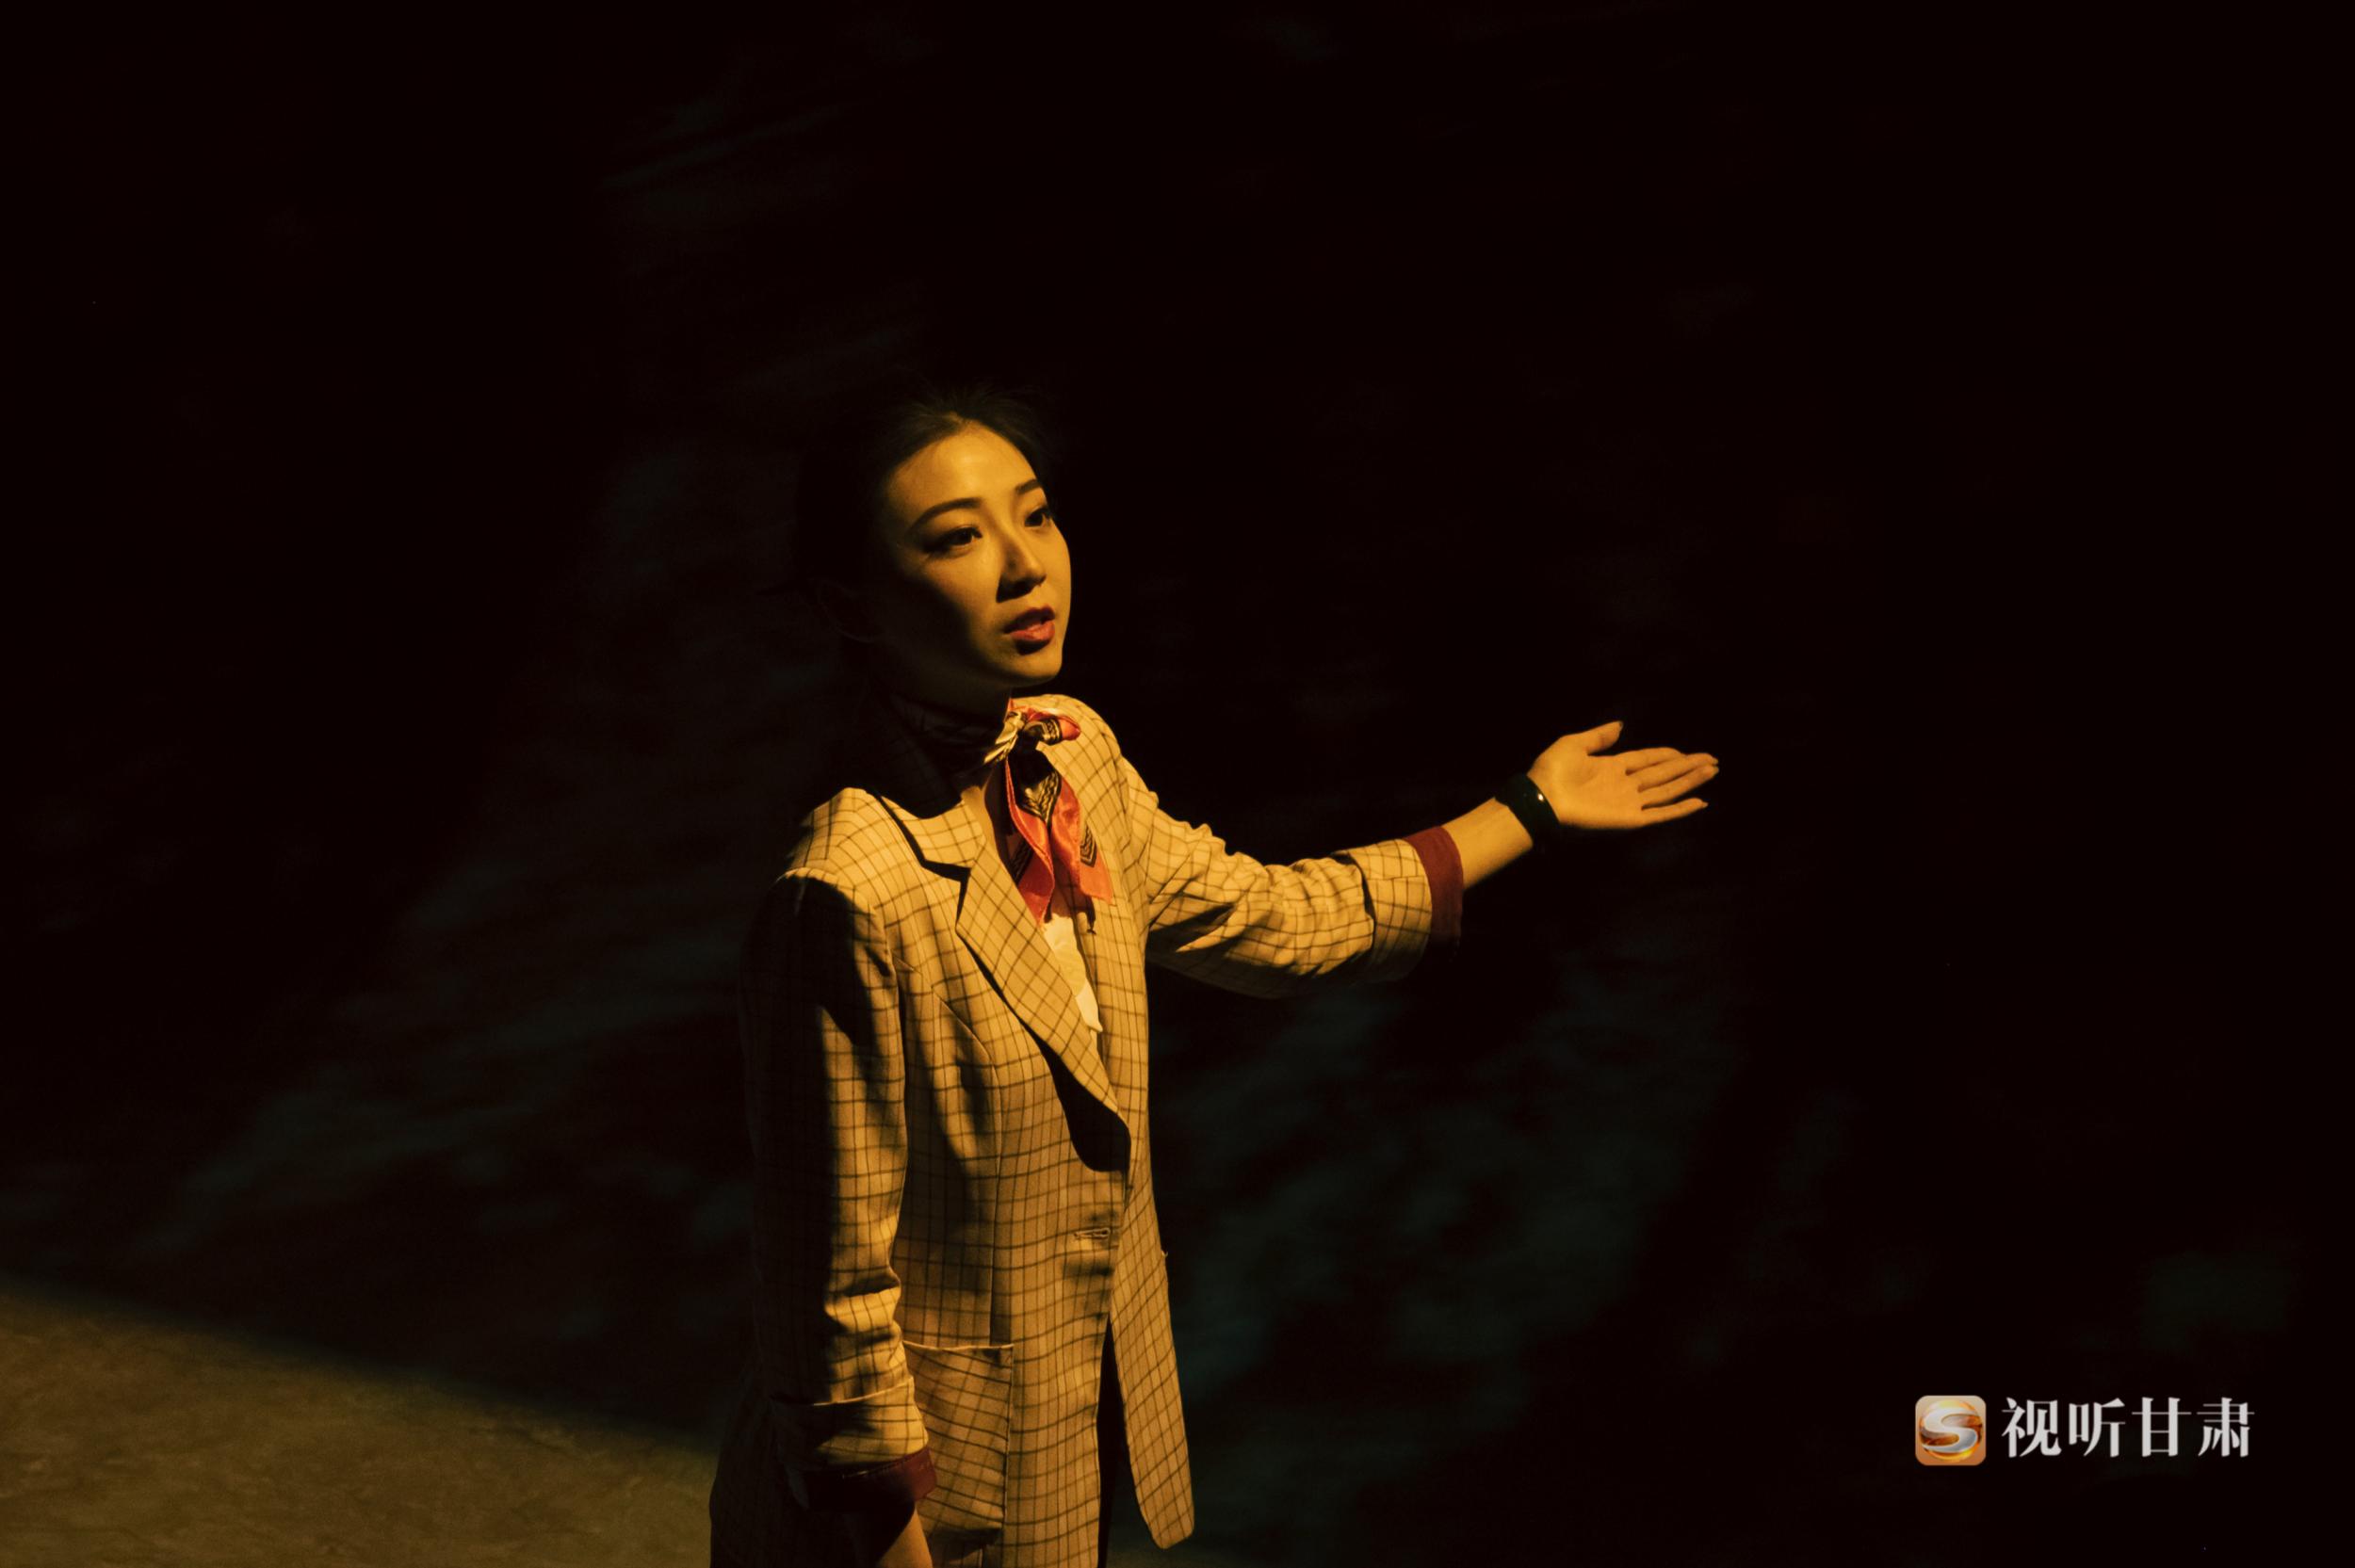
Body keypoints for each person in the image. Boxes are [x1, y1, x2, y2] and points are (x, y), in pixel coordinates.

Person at [706, 383, 1719, 1568]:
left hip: (1051, 1458)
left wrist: (1528, 809)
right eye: (956, 537)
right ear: (851, 603)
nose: (1024, 564)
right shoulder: (845, 892)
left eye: (1035, 514)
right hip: (903, 1516)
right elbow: (827, 1300)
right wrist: (889, 1541)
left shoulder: (1069, 754)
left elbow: (1273, 920)